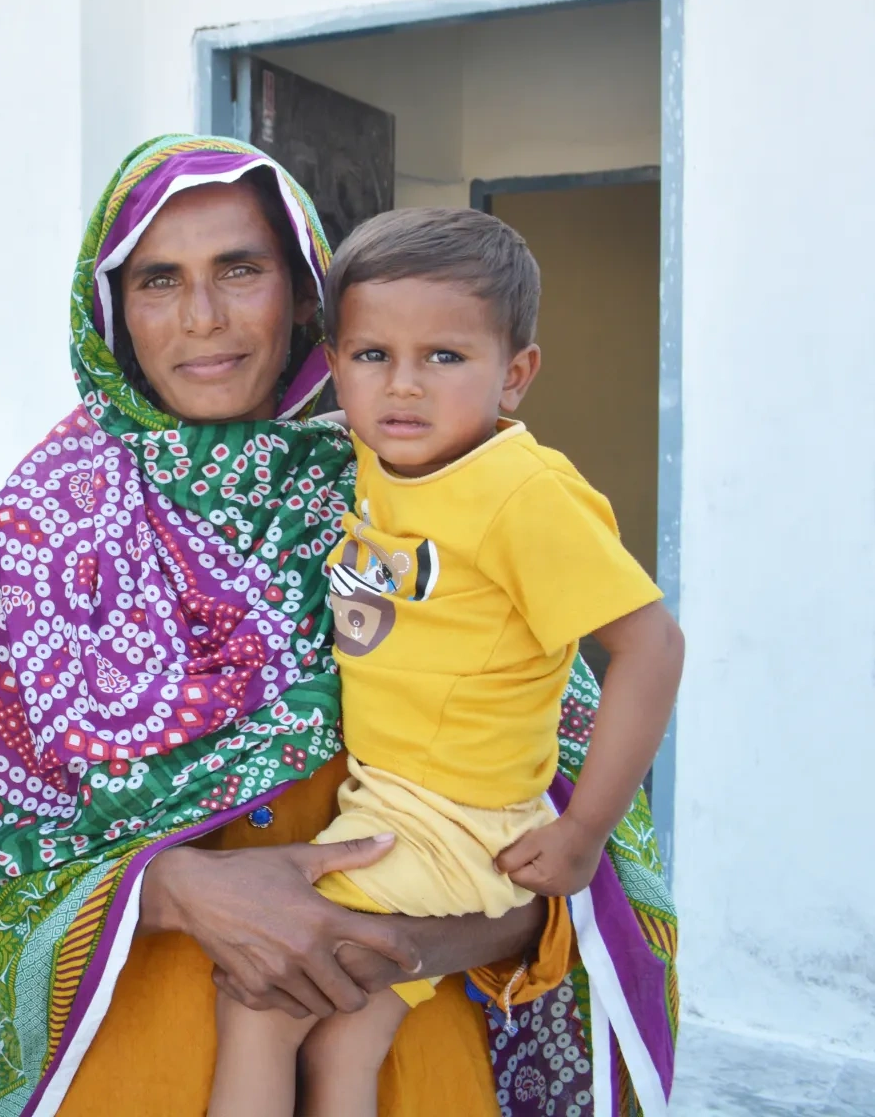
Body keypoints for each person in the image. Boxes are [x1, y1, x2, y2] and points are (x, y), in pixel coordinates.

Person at [0, 135, 680, 1117]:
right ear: (110, 311)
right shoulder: (43, 527)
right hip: (135, 1055)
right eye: (158, 279)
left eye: (241, 269)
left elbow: (552, 815)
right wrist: (187, 890)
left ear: (306, 297)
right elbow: (0, 871)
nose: (203, 316)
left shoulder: (409, 485)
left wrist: (406, 942)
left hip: (394, 1043)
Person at [211, 206, 684, 1116]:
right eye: (372, 355)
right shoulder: (375, 460)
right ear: (334, 363)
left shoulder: (519, 492)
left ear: (516, 375)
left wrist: (585, 832)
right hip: (393, 802)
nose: (404, 386)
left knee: (261, 999)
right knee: (349, 1035)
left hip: (452, 824)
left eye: (445, 358)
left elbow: (651, 645)